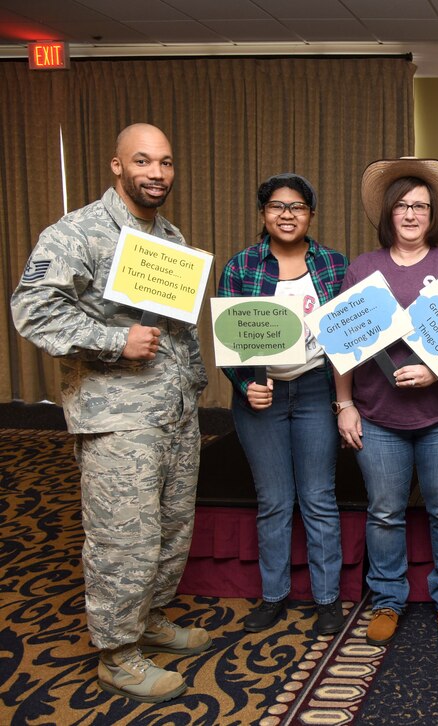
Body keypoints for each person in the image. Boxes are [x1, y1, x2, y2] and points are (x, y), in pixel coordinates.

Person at [10, 123, 209, 703]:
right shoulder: (79, 232)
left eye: (166, 163)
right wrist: (111, 340)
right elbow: (33, 309)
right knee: (124, 537)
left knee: (170, 528)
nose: (157, 173)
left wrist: (193, 385)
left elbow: (179, 322)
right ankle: (117, 654)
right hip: (117, 417)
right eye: (143, 161)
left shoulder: (168, 235)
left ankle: (147, 620)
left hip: (172, 410)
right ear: (117, 166)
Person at [335, 158, 438, 648]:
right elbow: (342, 343)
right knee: (385, 512)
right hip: (377, 416)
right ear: (388, 214)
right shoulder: (362, 267)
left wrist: (435, 369)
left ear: (433, 215)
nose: (412, 214)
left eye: (421, 206)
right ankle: (388, 599)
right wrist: (344, 404)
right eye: (402, 205)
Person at [218, 173, 347, 638]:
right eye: (277, 206)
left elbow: (348, 334)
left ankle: (327, 598)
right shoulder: (241, 267)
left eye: (297, 207)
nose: (287, 214)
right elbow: (230, 339)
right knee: (274, 500)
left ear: (311, 215)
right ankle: (274, 596)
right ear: (263, 214)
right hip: (261, 396)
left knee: (318, 497)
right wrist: (244, 383)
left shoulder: (333, 264)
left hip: (315, 389)